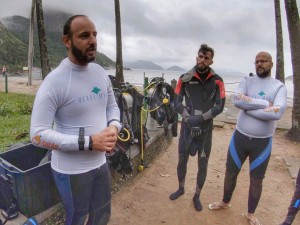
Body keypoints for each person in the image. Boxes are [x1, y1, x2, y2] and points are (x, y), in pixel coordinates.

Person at [30, 15, 121, 225]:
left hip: (100, 164)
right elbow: (36, 135)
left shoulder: (100, 74)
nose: (93, 40)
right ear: (66, 41)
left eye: (95, 34)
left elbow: (111, 107)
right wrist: (89, 142)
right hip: (71, 171)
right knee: (77, 219)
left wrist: (114, 127)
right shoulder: (55, 81)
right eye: (84, 35)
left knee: (102, 215)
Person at [208, 52, 287, 225]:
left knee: (256, 180)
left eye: (263, 61)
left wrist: (248, 108)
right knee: (230, 172)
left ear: (271, 64)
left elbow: (278, 112)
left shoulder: (278, 87)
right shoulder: (247, 80)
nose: (260, 64)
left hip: (262, 143)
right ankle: (225, 201)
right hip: (240, 138)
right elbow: (237, 100)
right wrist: (265, 104)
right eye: (257, 61)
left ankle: (251, 213)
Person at [169, 44, 226, 211]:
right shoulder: (184, 78)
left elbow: (219, 106)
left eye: (206, 58)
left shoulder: (217, 81)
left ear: (211, 61)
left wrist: (199, 118)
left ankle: (197, 195)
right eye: (200, 56)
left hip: (206, 129)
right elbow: (176, 102)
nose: (202, 60)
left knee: (203, 163)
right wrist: (189, 118)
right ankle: (180, 188)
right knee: (182, 160)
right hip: (187, 127)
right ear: (196, 57)